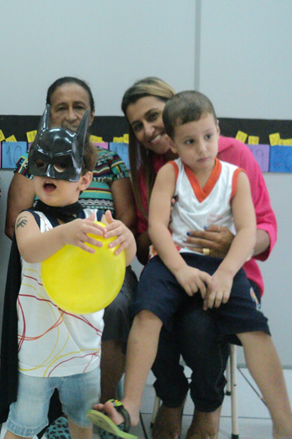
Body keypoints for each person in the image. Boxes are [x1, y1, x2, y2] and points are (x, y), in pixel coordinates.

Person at [91, 91, 292, 439]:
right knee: (146, 314)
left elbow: (249, 231)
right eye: (189, 141)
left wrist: (227, 273)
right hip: (173, 260)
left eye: (208, 136)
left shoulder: (236, 175)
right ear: (174, 144)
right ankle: (131, 406)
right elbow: (157, 227)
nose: (202, 148)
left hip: (222, 264)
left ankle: (283, 421)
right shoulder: (168, 173)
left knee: (255, 330)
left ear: (218, 129)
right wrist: (180, 270)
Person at [1, 108, 137, 439]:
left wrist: (127, 239)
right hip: (39, 353)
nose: (50, 173)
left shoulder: (95, 221)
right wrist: (65, 234)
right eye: (41, 163)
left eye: (63, 166)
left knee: (82, 422)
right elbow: (29, 249)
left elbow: (121, 262)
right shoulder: (29, 219)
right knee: (23, 425)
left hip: (84, 351)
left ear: (84, 181)